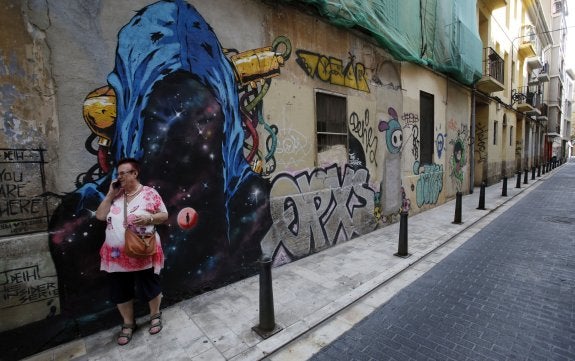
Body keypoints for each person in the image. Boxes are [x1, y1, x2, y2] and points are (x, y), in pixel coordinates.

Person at [95, 158, 168, 346]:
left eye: (122, 173)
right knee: (120, 290)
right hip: (116, 255)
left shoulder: (149, 193)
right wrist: (110, 195)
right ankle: (128, 323)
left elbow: (164, 215)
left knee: (150, 285)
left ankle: (155, 315)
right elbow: (100, 216)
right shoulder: (116, 195)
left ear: (134, 173)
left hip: (143, 249)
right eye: (118, 174)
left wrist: (149, 218)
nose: (119, 177)